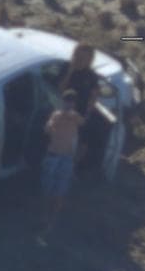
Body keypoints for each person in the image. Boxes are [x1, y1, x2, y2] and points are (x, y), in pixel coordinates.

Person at [40, 89, 84, 227]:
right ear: (63, 102)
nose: (68, 105)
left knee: (61, 189)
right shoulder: (56, 115)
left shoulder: (75, 117)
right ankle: (44, 215)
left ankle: (53, 219)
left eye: (71, 103)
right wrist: (54, 123)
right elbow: (47, 128)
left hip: (67, 157)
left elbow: (82, 122)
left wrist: (71, 116)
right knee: (47, 187)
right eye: (66, 102)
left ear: (74, 104)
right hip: (53, 155)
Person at [58, 43, 102, 171]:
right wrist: (70, 72)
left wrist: (88, 113)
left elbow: (94, 95)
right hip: (62, 111)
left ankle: (72, 167)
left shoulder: (91, 76)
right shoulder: (66, 68)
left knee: (82, 142)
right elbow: (59, 89)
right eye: (77, 56)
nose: (80, 61)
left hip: (80, 115)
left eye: (84, 58)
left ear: (90, 60)